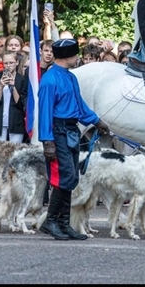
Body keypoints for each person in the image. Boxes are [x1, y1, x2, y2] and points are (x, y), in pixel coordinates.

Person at [37, 38, 109, 240]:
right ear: (67, 56)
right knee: (63, 176)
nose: (78, 58)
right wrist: (47, 141)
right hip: (57, 132)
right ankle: (51, 222)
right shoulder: (50, 79)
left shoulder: (70, 77)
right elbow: (45, 112)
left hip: (70, 130)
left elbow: (79, 105)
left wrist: (97, 121)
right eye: (76, 54)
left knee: (71, 177)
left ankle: (63, 223)